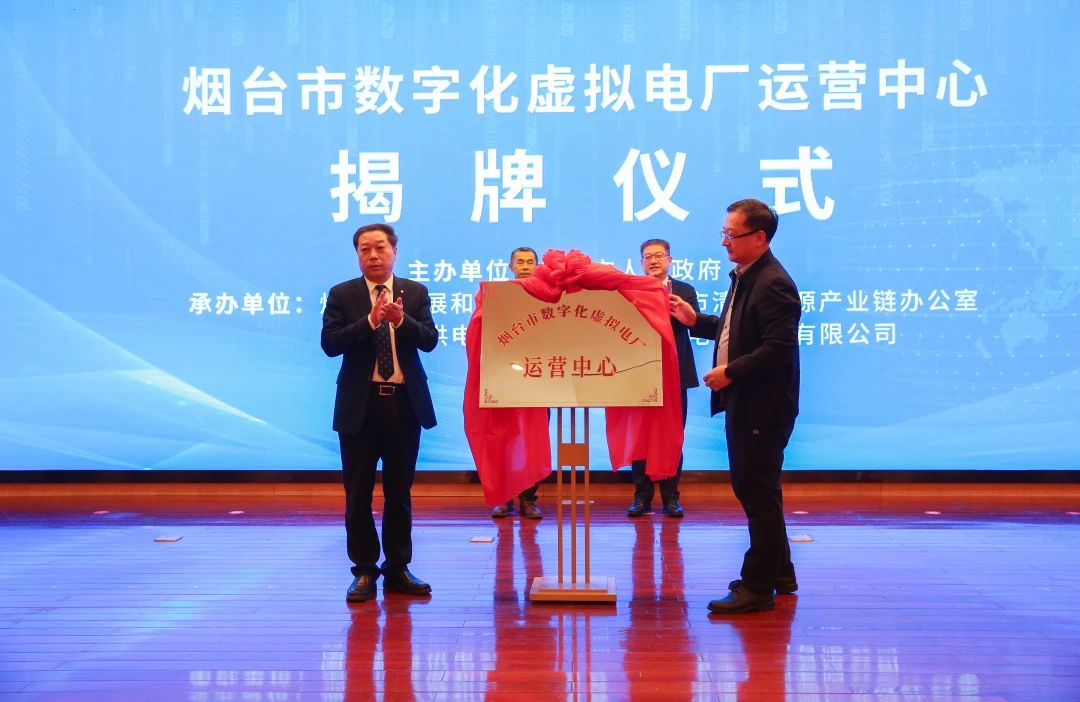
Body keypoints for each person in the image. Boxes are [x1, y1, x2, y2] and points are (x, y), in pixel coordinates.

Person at [669, 199, 801, 614]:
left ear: (759, 237)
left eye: (732, 234)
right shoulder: (747, 276)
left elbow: (777, 349)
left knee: (756, 493)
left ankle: (757, 587)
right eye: (723, 233)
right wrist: (696, 321)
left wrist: (730, 372)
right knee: (762, 491)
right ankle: (781, 573)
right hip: (750, 402)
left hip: (763, 406)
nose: (725, 241)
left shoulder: (773, 283)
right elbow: (735, 331)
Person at [321, 223, 439, 602]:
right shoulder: (342, 294)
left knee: (399, 493)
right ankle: (364, 570)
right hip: (360, 405)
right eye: (365, 249)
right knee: (357, 493)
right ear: (357, 254)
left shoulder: (415, 292)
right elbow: (330, 344)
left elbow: (430, 340)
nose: (373, 255)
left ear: (394, 252)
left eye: (380, 248)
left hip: (403, 405)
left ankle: (398, 567)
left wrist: (401, 321)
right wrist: (370, 321)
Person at [627, 238, 700, 519]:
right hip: (640, 373)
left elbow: (692, 323)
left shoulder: (684, 291)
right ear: (641, 263)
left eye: (659, 255)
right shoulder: (632, 290)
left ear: (670, 260)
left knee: (672, 437)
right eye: (648, 257)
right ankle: (641, 497)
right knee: (641, 438)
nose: (654, 260)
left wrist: (680, 310)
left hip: (675, 373)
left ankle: (671, 498)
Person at [491, 246, 544, 520]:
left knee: (532, 443)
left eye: (530, 262)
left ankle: (528, 499)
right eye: (520, 262)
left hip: (540, 378)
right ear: (511, 267)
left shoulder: (548, 296)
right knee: (505, 441)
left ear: (537, 266)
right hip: (506, 378)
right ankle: (503, 498)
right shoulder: (499, 297)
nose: (525, 266)